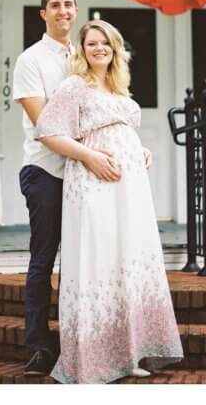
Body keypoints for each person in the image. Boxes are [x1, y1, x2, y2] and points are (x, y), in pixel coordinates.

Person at [36, 20, 183, 383]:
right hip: (92, 183)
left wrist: (139, 149)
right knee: (99, 258)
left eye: (105, 43)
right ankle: (94, 358)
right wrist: (89, 156)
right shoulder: (74, 87)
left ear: (115, 48)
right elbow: (48, 133)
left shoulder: (119, 89)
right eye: (91, 44)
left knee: (127, 258)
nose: (98, 49)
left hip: (129, 186)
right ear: (83, 51)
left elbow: (121, 130)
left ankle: (128, 352)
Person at [12, 0, 96, 377]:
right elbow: (44, 122)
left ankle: (84, 341)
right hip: (46, 172)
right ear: (43, 13)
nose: (63, 11)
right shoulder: (31, 60)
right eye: (55, 6)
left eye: (68, 4)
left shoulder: (88, 56)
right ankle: (40, 347)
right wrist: (92, 144)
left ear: (76, 11)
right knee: (44, 259)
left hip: (86, 174)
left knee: (86, 261)